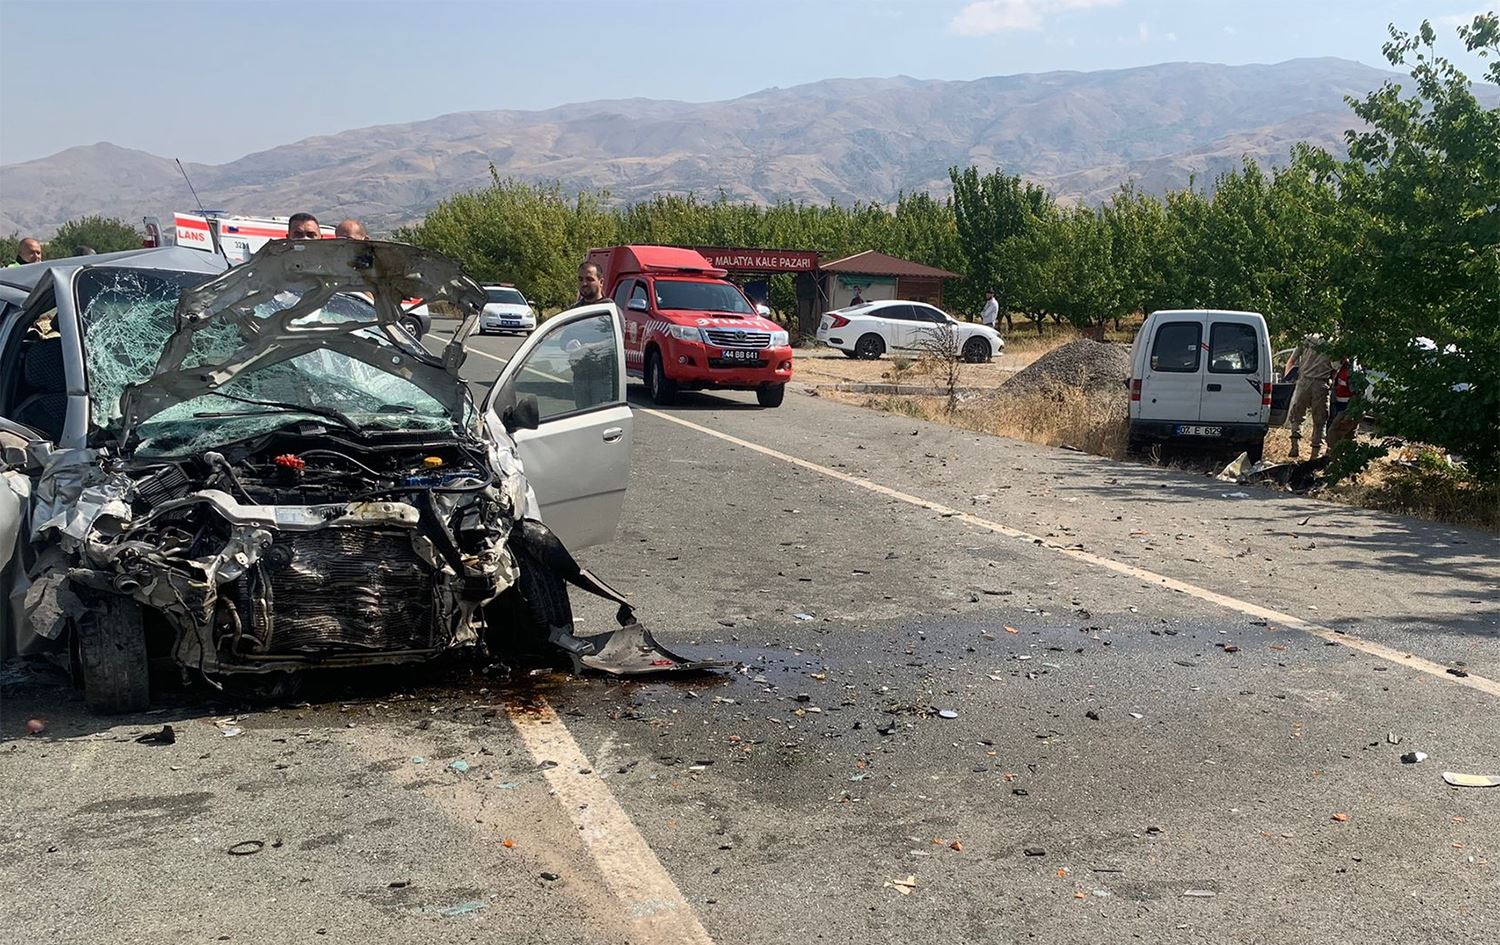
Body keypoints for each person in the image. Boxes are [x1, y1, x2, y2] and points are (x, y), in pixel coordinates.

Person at [1284, 334, 1334, 459]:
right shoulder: (1333, 343)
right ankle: (1314, 454)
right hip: (1321, 384)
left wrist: (1288, 379)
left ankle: (1294, 446)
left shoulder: (1306, 338)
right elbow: (1336, 366)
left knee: (1297, 416)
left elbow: (1291, 360)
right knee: (1320, 421)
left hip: (1303, 382)